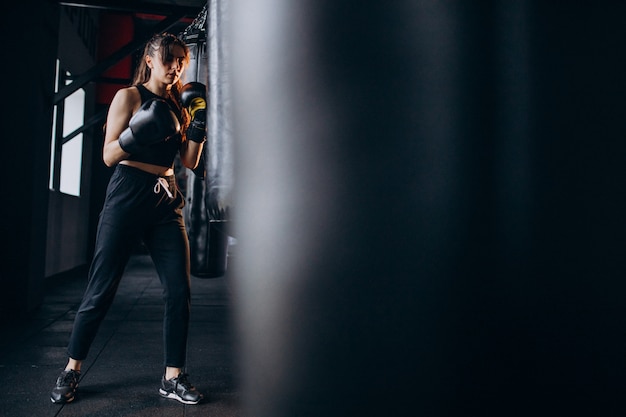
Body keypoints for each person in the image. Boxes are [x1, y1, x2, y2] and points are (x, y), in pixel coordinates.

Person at [50, 32, 207, 405]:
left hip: (165, 201)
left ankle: (173, 377)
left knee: (179, 291)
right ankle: (71, 369)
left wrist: (198, 124)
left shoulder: (181, 102)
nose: (176, 68)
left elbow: (189, 161)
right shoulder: (130, 97)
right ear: (150, 60)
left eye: (181, 62)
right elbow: (107, 156)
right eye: (169, 60)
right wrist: (137, 133)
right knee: (100, 290)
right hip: (127, 193)